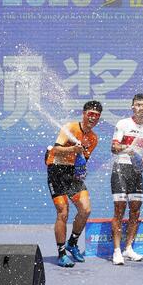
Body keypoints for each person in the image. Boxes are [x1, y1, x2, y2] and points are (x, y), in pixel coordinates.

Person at [45, 100, 102, 267]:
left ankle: (72, 243)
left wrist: (81, 170)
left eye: (96, 116)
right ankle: (61, 253)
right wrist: (72, 149)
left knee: (85, 209)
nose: (93, 118)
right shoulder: (70, 127)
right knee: (63, 212)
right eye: (90, 114)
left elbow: (83, 160)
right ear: (84, 114)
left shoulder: (93, 138)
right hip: (56, 171)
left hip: (72, 174)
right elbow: (55, 149)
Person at [110, 93, 143, 265]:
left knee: (135, 211)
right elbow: (114, 147)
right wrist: (127, 148)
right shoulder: (123, 124)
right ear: (132, 107)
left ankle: (128, 248)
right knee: (119, 210)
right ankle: (117, 251)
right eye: (137, 105)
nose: (140, 108)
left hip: (136, 172)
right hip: (120, 169)